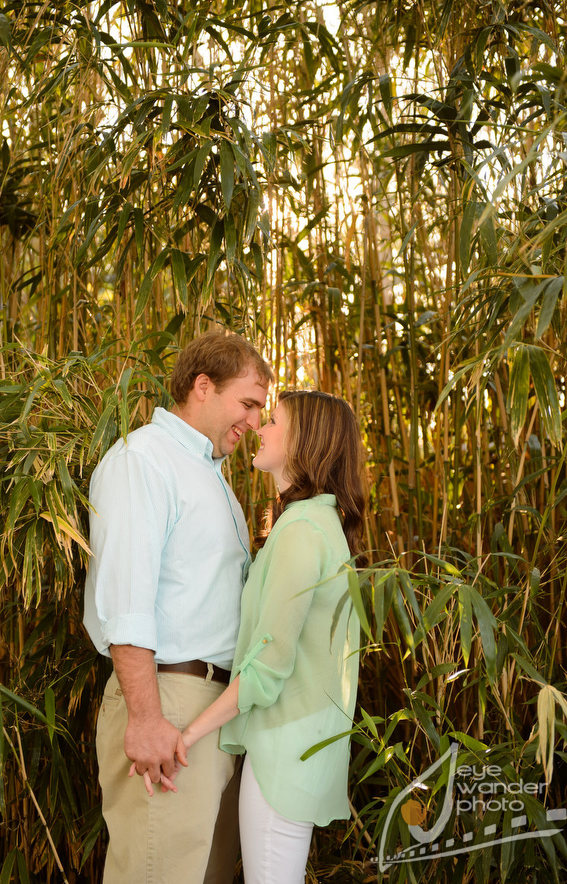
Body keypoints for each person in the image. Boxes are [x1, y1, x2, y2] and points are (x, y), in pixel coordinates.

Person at [83, 330, 272, 884]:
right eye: (249, 403)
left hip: (210, 710)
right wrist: (145, 717)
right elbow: (127, 595)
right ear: (203, 386)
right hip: (166, 700)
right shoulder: (145, 459)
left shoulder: (210, 477)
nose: (255, 421)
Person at [176, 390, 366, 884]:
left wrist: (188, 734)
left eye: (274, 419)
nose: (258, 426)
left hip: (285, 753)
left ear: (306, 443)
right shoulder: (315, 525)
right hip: (297, 745)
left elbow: (266, 669)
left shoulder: (303, 530)